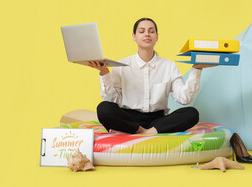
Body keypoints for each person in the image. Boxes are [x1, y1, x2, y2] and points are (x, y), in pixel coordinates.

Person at [88, 18, 216, 134]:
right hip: (128, 120)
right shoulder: (122, 65)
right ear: (134, 36)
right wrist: (104, 72)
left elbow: (184, 99)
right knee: (104, 108)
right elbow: (112, 100)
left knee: (192, 113)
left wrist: (196, 69)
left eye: (151, 31)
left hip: (158, 122)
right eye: (142, 31)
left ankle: (144, 133)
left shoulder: (169, 66)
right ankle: (139, 130)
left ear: (157, 37)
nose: (147, 34)